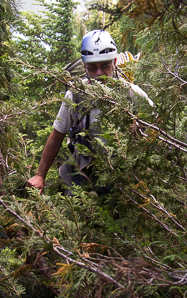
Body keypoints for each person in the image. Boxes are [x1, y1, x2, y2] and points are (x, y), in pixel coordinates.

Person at [27, 30, 153, 194]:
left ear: (114, 62)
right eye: (92, 67)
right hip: (86, 171)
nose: (99, 73)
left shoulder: (132, 93)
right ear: (85, 66)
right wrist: (39, 175)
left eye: (105, 65)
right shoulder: (75, 95)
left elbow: (156, 129)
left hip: (126, 176)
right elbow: (57, 136)